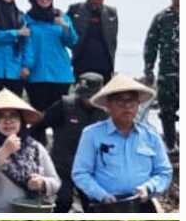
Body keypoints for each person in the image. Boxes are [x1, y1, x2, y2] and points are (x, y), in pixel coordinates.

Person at [72, 74, 173, 211]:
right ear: (108, 105)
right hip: (106, 204)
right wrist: (101, 195)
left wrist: (148, 187)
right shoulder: (92, 134)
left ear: (138, 104)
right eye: (120, 102)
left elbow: (164, 172)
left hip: (142, 203)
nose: (127, 107)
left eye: (131, 102)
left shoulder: (151, 135)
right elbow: (80, 173)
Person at [0, 90, 60, 212]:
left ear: (21, 121)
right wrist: (4, 151)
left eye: (13, 116)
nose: (8, 121)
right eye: (1, 117)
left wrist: (42, 182)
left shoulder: (35, 147)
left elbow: (55, 181)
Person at [32, 72, 108, 211]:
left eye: (91, 96)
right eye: (84, 95)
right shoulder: (64, 105)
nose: (87, 100)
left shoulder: (106, 112)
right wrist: (39, 152)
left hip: (91, 170)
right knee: (63, 201)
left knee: (93, 206)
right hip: (63, 166)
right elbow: (38, 126)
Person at [21, 0, 79, 145]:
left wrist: (66, 27)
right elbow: (25, 45)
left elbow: (72, 42)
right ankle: (37, 154)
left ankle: (59, 155)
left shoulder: (61, 16)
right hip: (36, 75)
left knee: (60, 119)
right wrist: (25, 66)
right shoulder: (26, 19)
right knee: (38, 119)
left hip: (60, 75)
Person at [143, 0, 179, 151]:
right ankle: (171, 146)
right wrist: (148, 69)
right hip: (168, 73)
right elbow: (151, 44)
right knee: (167, 111)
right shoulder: (161, 18)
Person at [68, 0, 118, 80]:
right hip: (81, 66)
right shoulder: (75, 10)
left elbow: (113, 42)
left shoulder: (111, 13)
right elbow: (65, 34)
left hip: (105, 68)